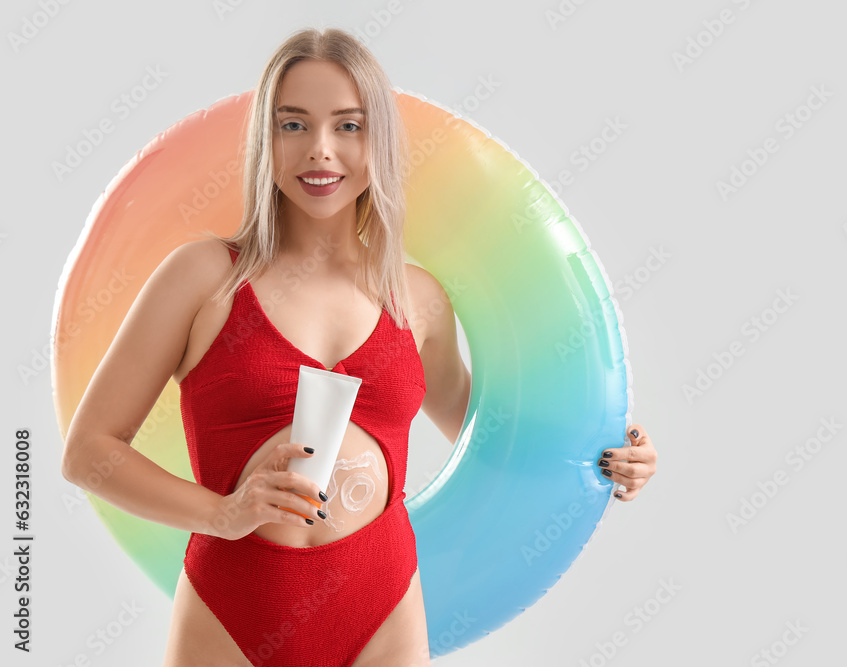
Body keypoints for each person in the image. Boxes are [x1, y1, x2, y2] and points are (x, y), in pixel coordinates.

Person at [60, 27, 658, 667]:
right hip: (233, 603)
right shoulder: (205, 278)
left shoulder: (418, 298)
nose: (321, 151)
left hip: (382, 602)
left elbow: (485, 429)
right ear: (267, 139)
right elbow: (88, 452)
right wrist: (223, 513)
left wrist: (603, 457)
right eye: (294, 125)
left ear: (380, 144)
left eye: (349, 126)